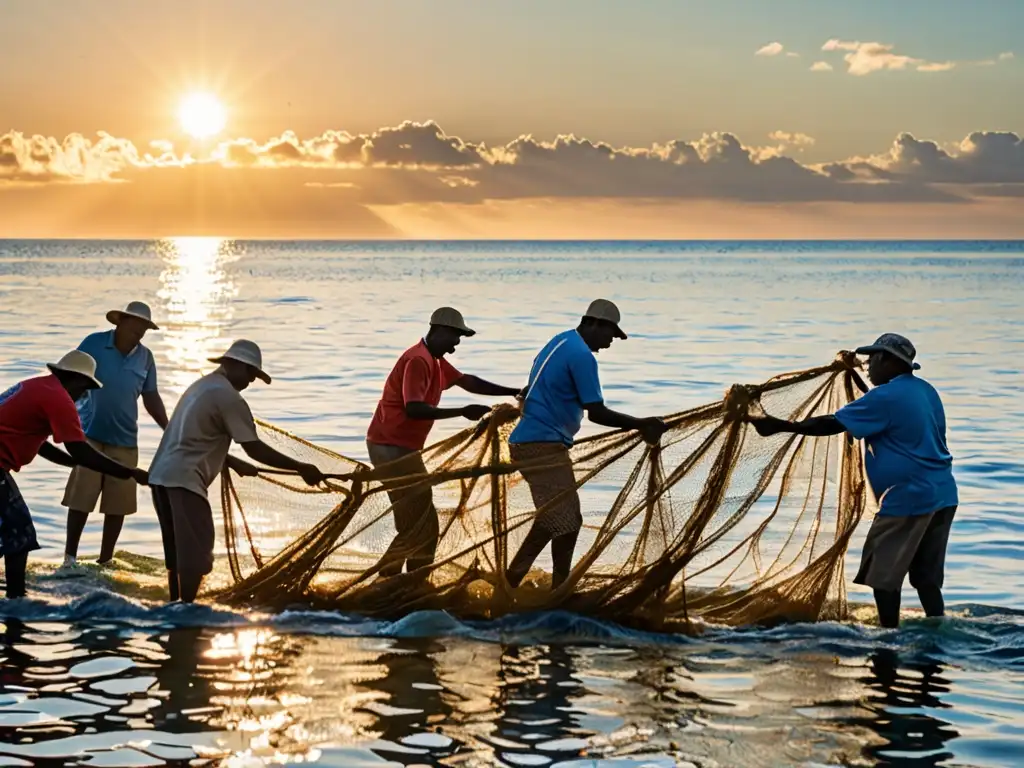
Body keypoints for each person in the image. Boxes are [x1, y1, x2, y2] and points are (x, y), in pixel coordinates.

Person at [748, 333, 958, 629]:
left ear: (888, 360)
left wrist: (782, 426)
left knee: (883, 576)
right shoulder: (925, 391)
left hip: (908, 497)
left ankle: (888, 638)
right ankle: (937, 630)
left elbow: (832, 423)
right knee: (926, 578)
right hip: (943, 494)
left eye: (872, 359)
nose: (867, 366)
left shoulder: (886, 396)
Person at [147, 340, 326, 603]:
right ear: (235, 365)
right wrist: (300, 467)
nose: (251, 381)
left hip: (160, 478)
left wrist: (229, 460)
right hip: (184, 480)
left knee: (178, 554)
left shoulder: (201, 386)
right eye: (251, 374)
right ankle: (185, 610)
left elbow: (194, 438)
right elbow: (255, 449)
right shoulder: (229, 397)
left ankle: (176, 605)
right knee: (196, 556)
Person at [506, 299, 667, 591]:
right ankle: (557, 589)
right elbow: (598, 412)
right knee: (567, 521)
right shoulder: (581, 355)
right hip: (541, 445)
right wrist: (642, 423)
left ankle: (515, 580)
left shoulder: (560, 341)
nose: (609, 343)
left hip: (532, 443)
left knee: (553, 519)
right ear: (593, 323)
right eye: (609, 334)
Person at [365, 307, 521, 578]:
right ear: (438, 331)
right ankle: (396, 582)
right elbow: (414, 408)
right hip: (389, 447)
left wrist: (513, 391)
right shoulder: (418, 360)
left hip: (402, 448)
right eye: (455, 337)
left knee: (418, 525)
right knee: (418, 525)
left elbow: (467, 381)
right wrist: (461, 412)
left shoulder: (434, 360)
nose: (456, 345)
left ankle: (399, 580)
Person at [0, 350, 149, 599]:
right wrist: (129, 472)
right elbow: (80, 449)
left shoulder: (37, 386)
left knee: (12, 532)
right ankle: (16, 600)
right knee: (21, 534)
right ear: (76, 380)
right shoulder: (59, 398)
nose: (84, 394)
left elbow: (39, 442)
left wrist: (73, 464)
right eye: (86, 387)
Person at [61, 301, 169, 571]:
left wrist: (169, 428)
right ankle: (69, 558)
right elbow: (69, 378)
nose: (140, 331)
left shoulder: (146, 357)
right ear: (120, 322)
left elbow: (151, 396)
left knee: (117, 505)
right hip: (89, 435)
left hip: (125, 439)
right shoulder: (94, 343)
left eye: (144, 327)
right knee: (80, 500)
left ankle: (105, 560)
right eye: (135, 325)